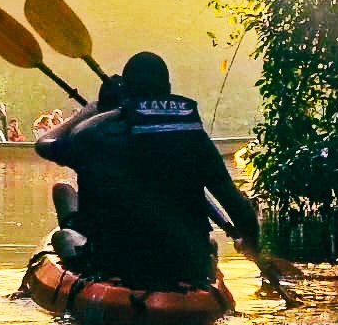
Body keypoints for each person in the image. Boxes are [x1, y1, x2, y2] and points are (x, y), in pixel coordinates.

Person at [35, 51, 260, 290]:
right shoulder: (194, 137)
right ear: (168, 88)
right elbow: (240, 210)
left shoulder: (94, 133)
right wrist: (252, 246)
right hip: (187, 266)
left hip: (116, 265)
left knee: (62, 234)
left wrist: (92, 110)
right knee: (210, 244)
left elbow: (43, 145)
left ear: (127, 91)